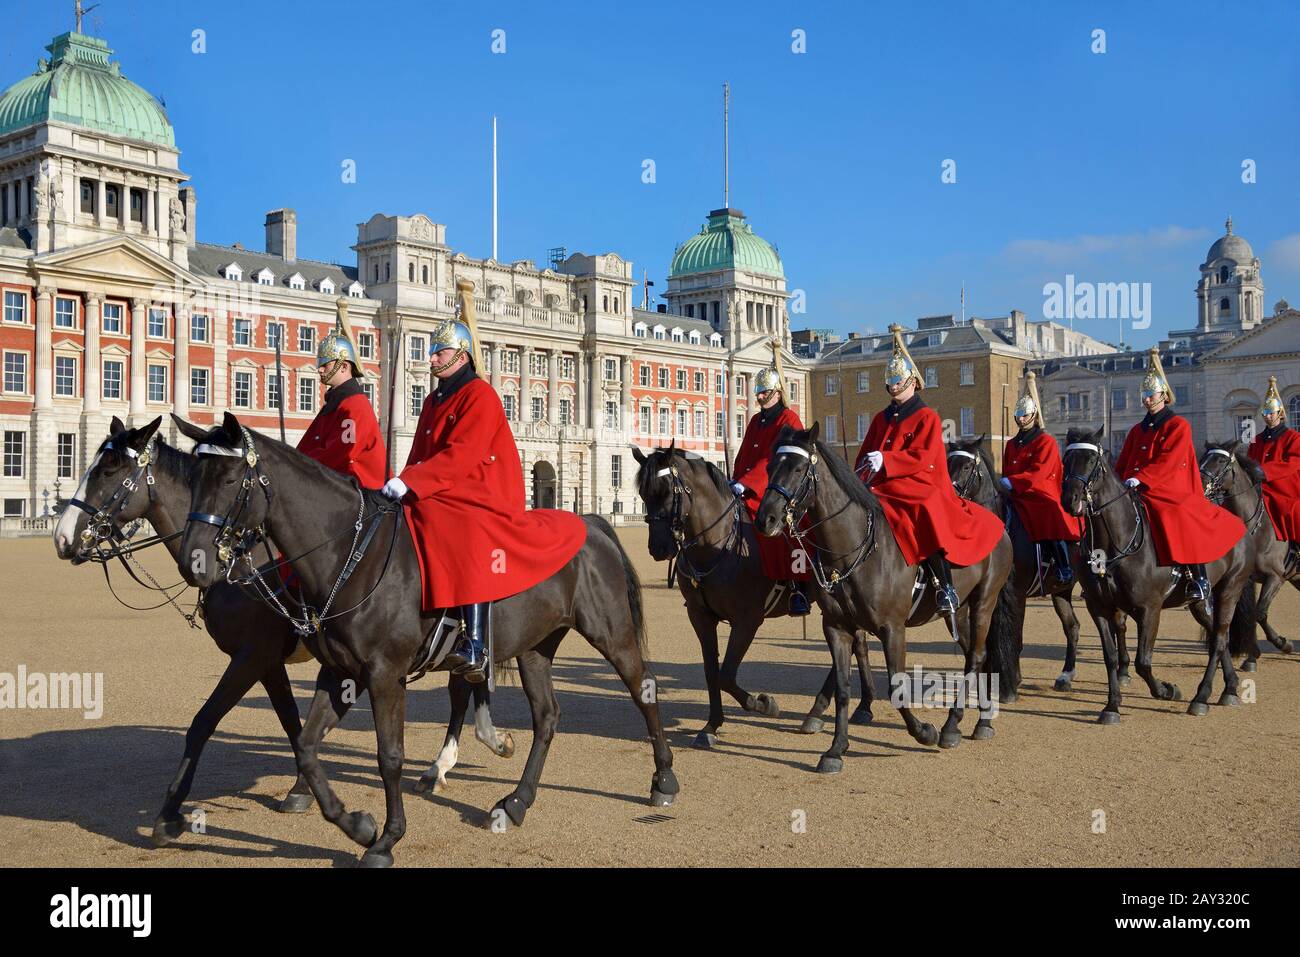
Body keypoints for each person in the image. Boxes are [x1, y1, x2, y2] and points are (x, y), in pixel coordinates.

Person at [380, 281, 587, 683]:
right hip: (447, 485)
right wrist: (403, 481)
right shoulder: (434, 399)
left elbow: (463, 454)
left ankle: (474, 641)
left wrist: (416, 483)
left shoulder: (480, 395)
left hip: (482, 492)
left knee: (461, 530)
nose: (431, 358)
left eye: (439, 352)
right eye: (432, 351)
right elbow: (421, 453)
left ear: (461, 355)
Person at [853, 325, 1003, 615]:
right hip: (881, 484)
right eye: (891, 381)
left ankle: (945, 585)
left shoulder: (927, 417)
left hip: (920, 483)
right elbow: (864, 456)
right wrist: (858, 478)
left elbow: (924, 458)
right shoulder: (880, 418)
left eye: (899, 381)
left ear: (914, 383)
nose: (894, 386)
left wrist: (888, 461)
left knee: (925, 510)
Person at [1114, 348, 1245, 601]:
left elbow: (1170, 461)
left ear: (1164, 395)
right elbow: (1123, 461)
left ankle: (1199, 577)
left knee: (1172, 514)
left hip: (1171, 488)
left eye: (1151, 395)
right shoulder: (1135, 430)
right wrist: (1117, 483)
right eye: (1144, 395)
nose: (1147, 400)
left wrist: (1142, 478)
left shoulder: (1178, 426)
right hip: (1136, 487)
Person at [731, 339, 812, 615]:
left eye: (765, 392)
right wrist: (735, 479)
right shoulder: (756, 420)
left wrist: (749, 484)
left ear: (777, 392)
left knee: (785, 531)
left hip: (778, 490)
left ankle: (797, 586)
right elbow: (745, 455)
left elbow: (774, 461)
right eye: (759, 392)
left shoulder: (788, 420)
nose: (761, 397)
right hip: (749, 487)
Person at [999, 370, 1082, 582]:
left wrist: (1013, 482)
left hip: (1040, 493)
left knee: (1048, 518)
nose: (1020, 418)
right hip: (1016, 494)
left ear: (1034, 415)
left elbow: (1039, 473)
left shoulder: (1046, 442)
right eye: (1018, 415)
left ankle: (1064, 567)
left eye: (1024, 415)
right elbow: (1008, 470)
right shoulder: (1011, 444)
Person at [297, 298, 386, 489]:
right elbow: (308, 447)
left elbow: (342, 452)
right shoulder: (334, 402)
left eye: (325, 365)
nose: (320, 370)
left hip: (359, 487)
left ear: (344, 366)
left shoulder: (354, 405)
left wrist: (299, 466)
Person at [1247, 376, 1300, 566]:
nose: (1268, 416)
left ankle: (1296, 548)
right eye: (1266, 412)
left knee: (1292, 510)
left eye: (1272, 412)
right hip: (1260, 486)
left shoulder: (1293, 438)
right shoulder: (1256, 439)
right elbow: (1249, 461)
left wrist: (1263, 471)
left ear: (1281, 413)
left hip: (1285, 487)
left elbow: (1293, 463)